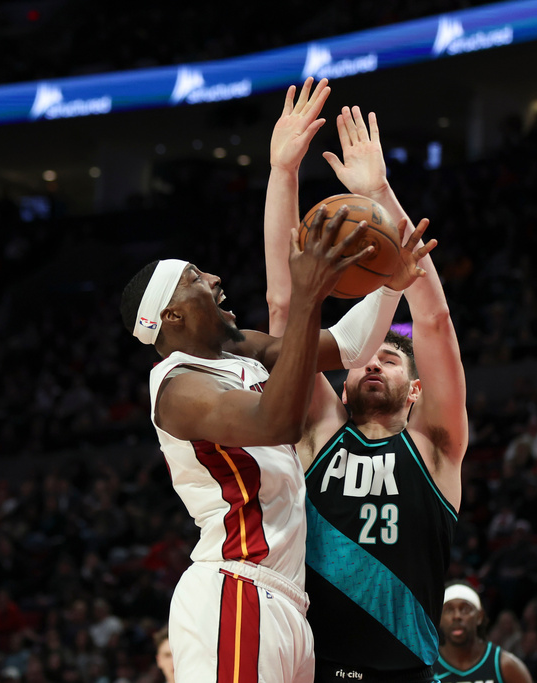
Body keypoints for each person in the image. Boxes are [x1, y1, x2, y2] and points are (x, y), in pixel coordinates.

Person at [119, 77, 430, 681]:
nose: (214, 279)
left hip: (285, 601)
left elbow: (344, 346)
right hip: (234, 586)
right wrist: (309, 291)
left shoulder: (241, 350)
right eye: (195, 279)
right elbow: (278, 421)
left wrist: (392, 285)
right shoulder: (177, 388)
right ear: (170, 316)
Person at [264, 94, 467, 681]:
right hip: (318, 667)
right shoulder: (319, 429)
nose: (375, 364)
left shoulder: (436, 447)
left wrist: (380, 194)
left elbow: (434, 322)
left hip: (408, 671)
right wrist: (283, 172)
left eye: (392, 360)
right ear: (343, 383)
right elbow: (285, 309)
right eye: (365, 359)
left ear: (416, 391)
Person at [434, 582, 534, 683]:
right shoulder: (429, 665)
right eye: (448, 610)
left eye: (465, 609)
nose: (457, 616)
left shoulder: (505, 665)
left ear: (479, 616)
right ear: (440, 618)